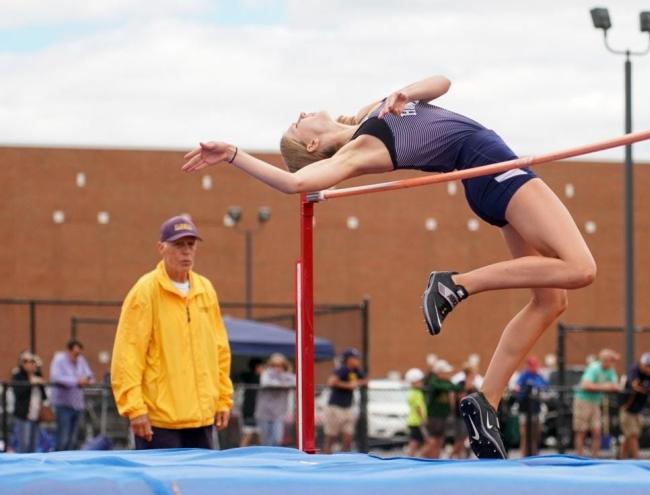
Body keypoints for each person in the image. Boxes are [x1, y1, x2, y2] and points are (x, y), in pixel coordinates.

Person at [182, 75, 597, 459]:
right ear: (311, 147)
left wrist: (407, 92)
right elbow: (295, 184)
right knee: (580, 269)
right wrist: (233, 153)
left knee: (550, 301)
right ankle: (455, 284)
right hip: (499, 172)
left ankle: (485, 400)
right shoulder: (361, 149)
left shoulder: (369, 114)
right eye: (297, 126)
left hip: (489, 178)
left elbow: (443, 82)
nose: (301, 115)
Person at [111, 215, 234, 449]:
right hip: (159, 421)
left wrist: (223, 399)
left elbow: (220, 350)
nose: (186, 252)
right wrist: (135, 408)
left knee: (199, 485)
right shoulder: (145, 292)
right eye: (178, 245)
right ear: (161, 248)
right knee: (162, 485)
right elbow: (128, 355)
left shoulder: (205, 290)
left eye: (191, 245)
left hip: (202, 418)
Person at [573, 349, 620, 458]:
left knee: (597, 431)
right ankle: (579, 457)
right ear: (603, 360)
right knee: (581, 431)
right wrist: (604, 386)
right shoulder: (594, 368)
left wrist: (606, 386)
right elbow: (585, 385)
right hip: (583, 401)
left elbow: (615, 385)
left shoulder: (610, 370)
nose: (611, 362)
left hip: (595, 402)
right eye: (609, 360)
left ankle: (594, 457)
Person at [49, 339, 94, 451]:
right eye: (75, 353)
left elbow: (90, 376)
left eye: (79, 353)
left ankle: (68, 464)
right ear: (68, 351)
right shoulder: (59, 360)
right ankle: (57, 461)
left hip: (77, 405)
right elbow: (56, 377)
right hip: (63, 404)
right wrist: (76, 381)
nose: (77, 356)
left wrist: (86, 380)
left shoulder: (81, 360)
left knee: (73, 439)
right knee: (63, 437)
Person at [619, 352, 650, 460]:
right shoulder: (634, 370)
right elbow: (635, 386)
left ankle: (621, 458)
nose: (649, 368)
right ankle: (637, 459)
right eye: (647, 365)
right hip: (627, 408)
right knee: (633, 434)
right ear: (642, 364)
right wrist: (649, 389)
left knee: (630, 436)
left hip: (638, 409)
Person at [323, 348, 367, 453]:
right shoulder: (342, 369)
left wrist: (358, 383)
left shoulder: (356, 371)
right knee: (331, 436)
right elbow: (331, 382)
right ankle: (326, 458)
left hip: (348, 407)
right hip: (335, 407)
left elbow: (366, 381)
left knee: (348, 438)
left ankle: (344, 459)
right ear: (348, 359)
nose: (357, 360)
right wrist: (348, 385)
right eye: (355, 358)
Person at [420, 359, 458, 459]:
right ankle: (419, 458)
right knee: (432, 441)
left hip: (443, 416)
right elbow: (441, 387)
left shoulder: (446, 382)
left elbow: (456, 388)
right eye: (445, 372)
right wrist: (448, 386)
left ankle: (435, 460)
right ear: (439, 373)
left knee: (440, 440)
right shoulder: (433, 381)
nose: (448, 374)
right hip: (434, 417)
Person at [255, 353, 296, 447]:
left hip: (279, 413)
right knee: (265, 441)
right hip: (264, 413)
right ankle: (266, 460)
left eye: (279, 365)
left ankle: (275, 459)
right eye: (273, 365)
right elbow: (266, 382)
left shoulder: (288, 375)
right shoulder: (266, 374)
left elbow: (296, 382)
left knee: (277, 439)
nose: (276, 368)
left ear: (284, 365)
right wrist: (284, 383)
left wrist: (282, 380)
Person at [11, 352, 47, 453]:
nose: (29, 364)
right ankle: (22, 467)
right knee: (24, 443)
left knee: (33, 444)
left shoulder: (37, 375)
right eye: (25, 361)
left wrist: (40, 383)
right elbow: (18, 393)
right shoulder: (18, 376)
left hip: (36, 415)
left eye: (32, 361)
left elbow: (44, 397)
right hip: (24, 415)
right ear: (21, 363)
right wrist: (30, 383)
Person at [514, 355, 549, 457]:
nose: (535, 368)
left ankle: (535, 455)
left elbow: (546, 386)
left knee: (536, 435)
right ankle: (524, 456)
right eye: (532, 366)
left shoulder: (538, 375)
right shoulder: (523, 375)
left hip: (536, 410)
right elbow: (517, 388)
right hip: (525, 410)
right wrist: (520, 390)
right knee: (525, 435)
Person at [451, 364, 480, 459]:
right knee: (460, 439)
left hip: (469, 416)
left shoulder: (473, 387)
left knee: (466, 438)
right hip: (459, 415)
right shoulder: (461, 384)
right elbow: (459, 399)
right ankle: (452, 456)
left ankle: (459, 457)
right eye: (473, 375)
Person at [237, 358, 264, 446]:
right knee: (248, 434)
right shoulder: (252, 378)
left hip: (258, 412)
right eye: (261, 367)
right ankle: (239, 454)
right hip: (250, 411)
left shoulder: (260, 378)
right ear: (257, 367)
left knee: (259, 436)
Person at [404, 368, 427, 456]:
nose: (421, 383)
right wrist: (423, 418)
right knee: (417, 441)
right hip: (417, 421)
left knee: (415, 441)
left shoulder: (411, 392)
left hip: (413, 421)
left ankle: (412, 455)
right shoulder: (417, 393)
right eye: (419, 381)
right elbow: (418, 407)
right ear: (413, 382)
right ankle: (413, 456)